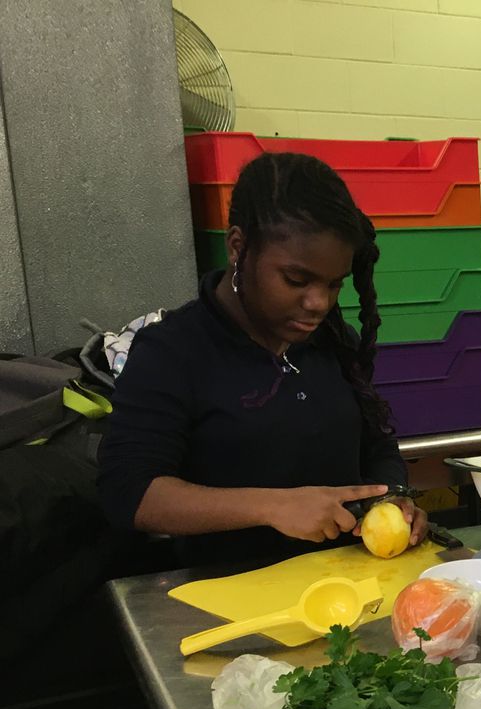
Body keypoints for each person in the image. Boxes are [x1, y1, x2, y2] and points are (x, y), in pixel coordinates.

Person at [98, 152, 427, 568]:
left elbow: (376, 446)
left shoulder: (334, 343)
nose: (318, 303)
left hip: (347, 584)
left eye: (333, 284)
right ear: (238, 247)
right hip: (225, 599)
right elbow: (129, 493)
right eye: (296, 280)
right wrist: (271, 507)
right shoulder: (171, 351)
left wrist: (396, 497)